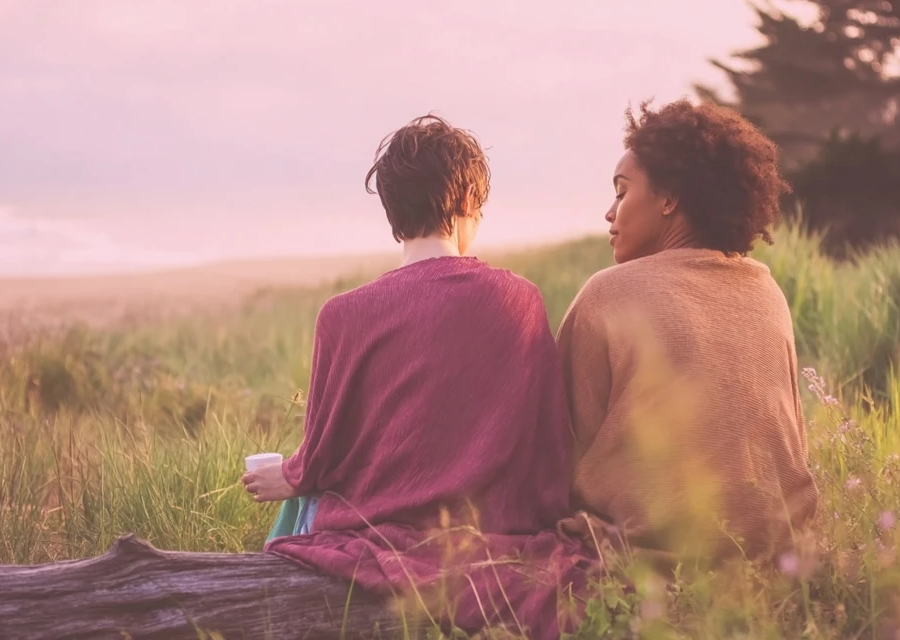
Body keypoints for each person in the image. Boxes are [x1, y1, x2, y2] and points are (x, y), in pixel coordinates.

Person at [241, 115, 592, 639]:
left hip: (373, 530)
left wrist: (289, 476)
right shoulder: (520, 300)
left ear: (391, 209)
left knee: (304, 508)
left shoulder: (342, 314)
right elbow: (546, 443)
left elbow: (324, 453)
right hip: (499, 528)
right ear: (469, 199)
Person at [556, 99, 819, 565]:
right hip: (777, 560)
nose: (609, 213)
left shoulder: (608, 293)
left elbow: (560, 450)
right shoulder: (767, 290)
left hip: (652, 563)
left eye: (621, 192)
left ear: (669, 199)